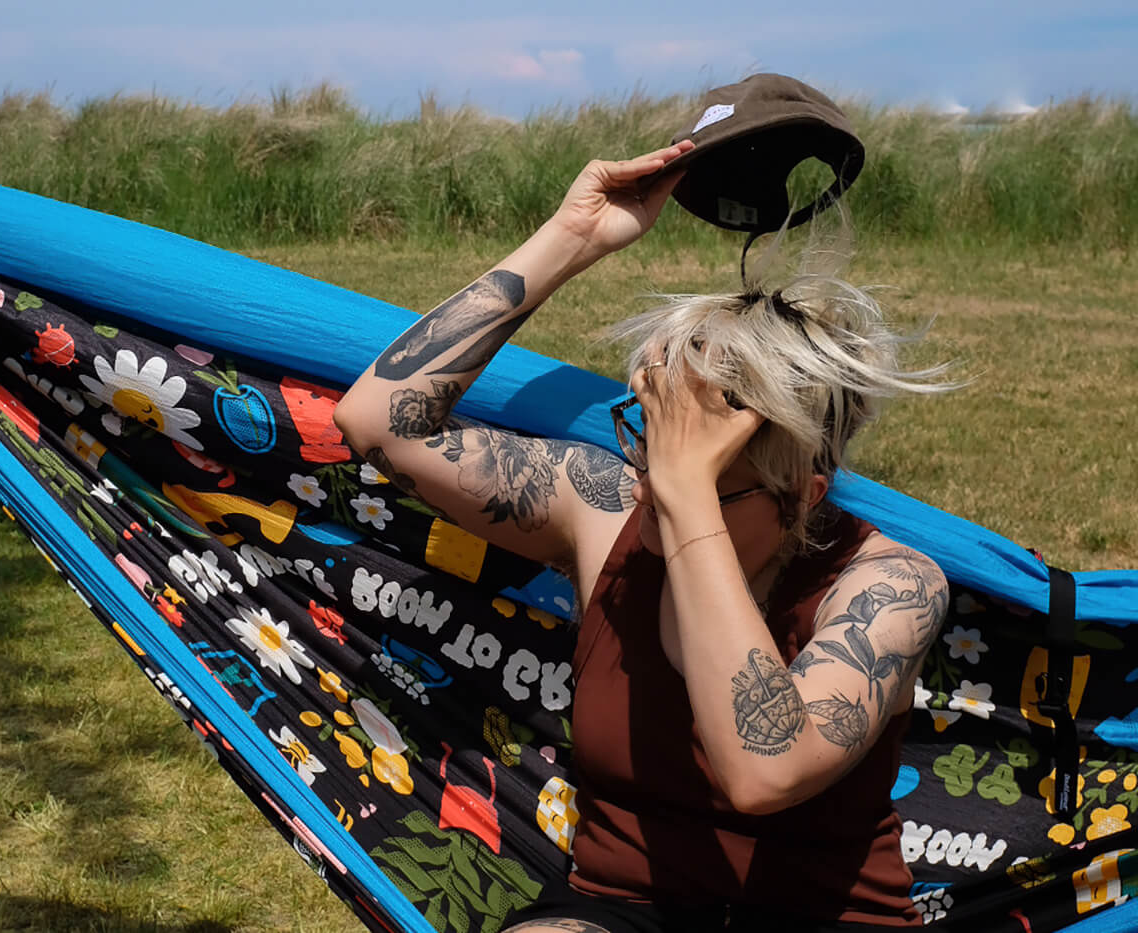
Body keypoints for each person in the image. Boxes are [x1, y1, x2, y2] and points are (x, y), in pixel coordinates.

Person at [332, 142, 950, 932]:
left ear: (803, 497)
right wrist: (575, 235)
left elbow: (762, 772)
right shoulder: (603, 509)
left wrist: (685, 489)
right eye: (649, 446)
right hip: (624, 912)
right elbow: (380, 422)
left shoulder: (891, 586)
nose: (654, 488)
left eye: (697, 474)